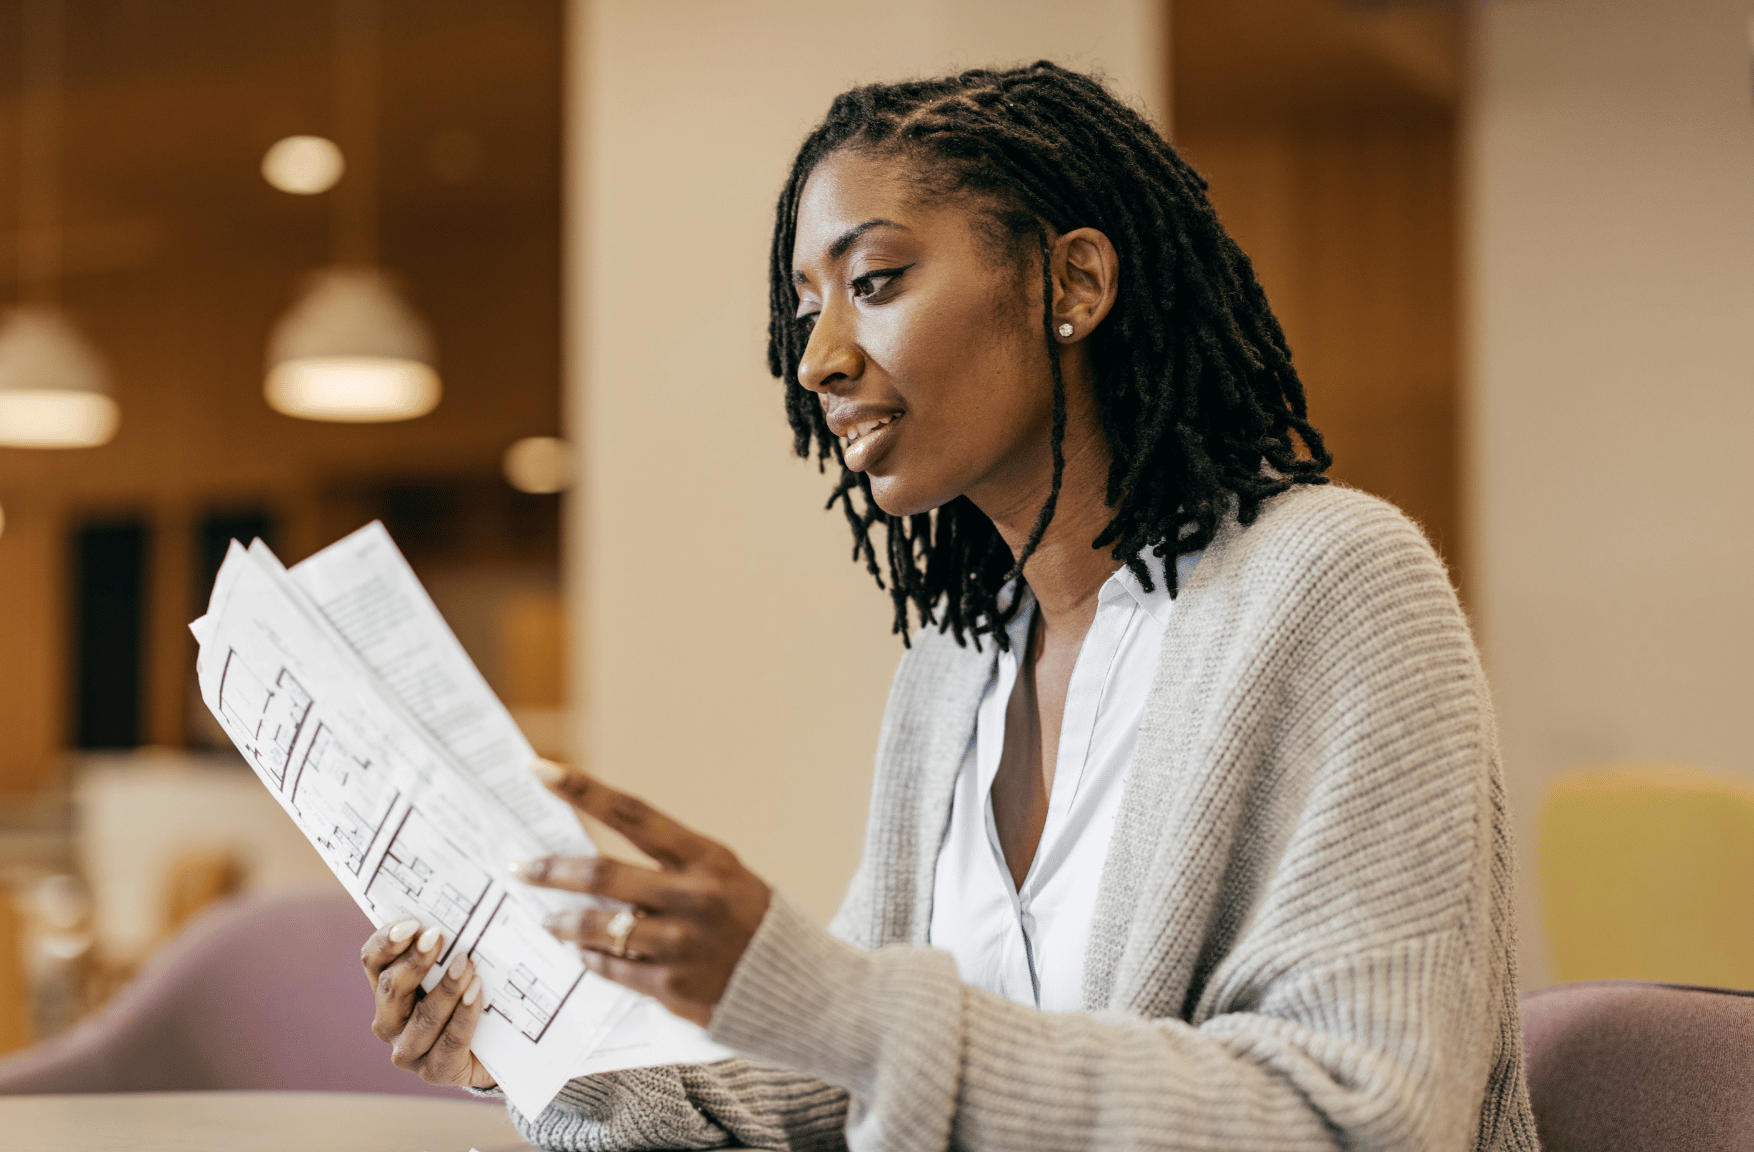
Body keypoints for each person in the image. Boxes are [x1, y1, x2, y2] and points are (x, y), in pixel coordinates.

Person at [359, 61, 1536, 1151]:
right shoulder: (956, 664)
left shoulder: (1333, 585)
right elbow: (839, 1072)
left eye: (873, 282)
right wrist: (536, 1047)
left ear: (1072, 281)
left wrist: (830, 1000)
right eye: (805, 304)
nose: (816, 356)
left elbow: (1362, 1119)